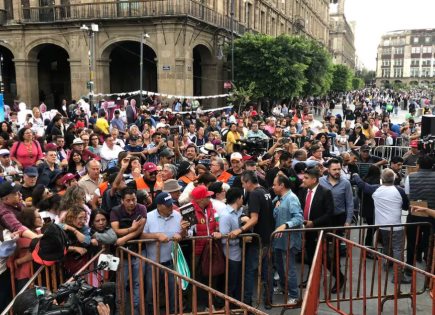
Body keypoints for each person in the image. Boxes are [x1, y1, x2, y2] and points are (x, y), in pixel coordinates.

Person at [353, 169, 410, 283]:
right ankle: (398, 275)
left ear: (381, 179)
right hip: (396, 226)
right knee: (398, 249)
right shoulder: (400, 191)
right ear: (394, 179)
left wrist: (355, 175)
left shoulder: (376, 189)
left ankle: (387, 263)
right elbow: (405, 206)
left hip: (382, 226)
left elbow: (362, 185)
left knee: (387, 246)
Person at [230, 171, 274, 308]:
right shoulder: (265, 191)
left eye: (243, 183)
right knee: (267, 270)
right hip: (267, 237)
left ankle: (247, 302)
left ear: (248, 182)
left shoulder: (254, 194)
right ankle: (268, 300)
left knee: (249, 271)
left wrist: (240, 229)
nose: (243, 186)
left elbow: (255, 219)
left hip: (258, 240)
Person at [142, 192, 188, 314]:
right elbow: (141, 235)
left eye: (171, 205)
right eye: (167, 206)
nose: (171, 208)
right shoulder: (148, 217)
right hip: (153, 262)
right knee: (151, 292)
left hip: (171, 262)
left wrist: (182, 232)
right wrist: (156, 236)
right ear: (159, 206)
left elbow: (184, 234)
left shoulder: (177, 215)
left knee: (174, 291)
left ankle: (173, 312)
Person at [298, 168, 339, 291]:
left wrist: (314, 223)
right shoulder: (304, 191)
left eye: (306, 178)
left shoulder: (325, 192)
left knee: (324, 258)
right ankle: (311, 279)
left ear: (314, 179)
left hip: (320, 231)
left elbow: (329, 213)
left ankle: (340, 277)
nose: (303, 180)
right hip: (308, 230)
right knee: (311, 256)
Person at [110, 188, 147, 310]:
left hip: (138, 251)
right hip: (122, 254)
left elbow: (139, 230)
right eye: (128, 200)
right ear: (122, 201)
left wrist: (124, 238)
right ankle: (120, 311)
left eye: (134, 199)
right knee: (121, 285)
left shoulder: (141, 208)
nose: (131, 203)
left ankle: (137, 311)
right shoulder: (115, 211)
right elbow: (116, 231)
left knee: (138, 284)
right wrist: (131, 229)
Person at [271, 174, 303, 305]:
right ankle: (283, 287)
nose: (272, 187)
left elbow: (299, 219)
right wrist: (276, 207)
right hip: (279, 240)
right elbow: (275, 215)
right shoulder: (279, 198)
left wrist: (285, 225)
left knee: (289, 269)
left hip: (289, 240)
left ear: (281, 185)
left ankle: (294, 295)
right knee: (279, 266)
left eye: (274, 184)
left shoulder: (292, 198)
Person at [404, 154, 435, 266]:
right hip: (431, 214)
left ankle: (410, 265)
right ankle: (429, 263)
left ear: (419, 165)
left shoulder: (410, 177)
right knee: (430, 241)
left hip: (414, 212)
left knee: (411, 241)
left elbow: (407, 194)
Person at [219, 187, 244, 301]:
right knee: (231, 283)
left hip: (239, 253)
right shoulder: (226, 215)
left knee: (238, 282)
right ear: (238, 199)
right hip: (231, 254)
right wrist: (241, 238)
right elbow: (224, 238)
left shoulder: (239, 211)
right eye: (242, 198)